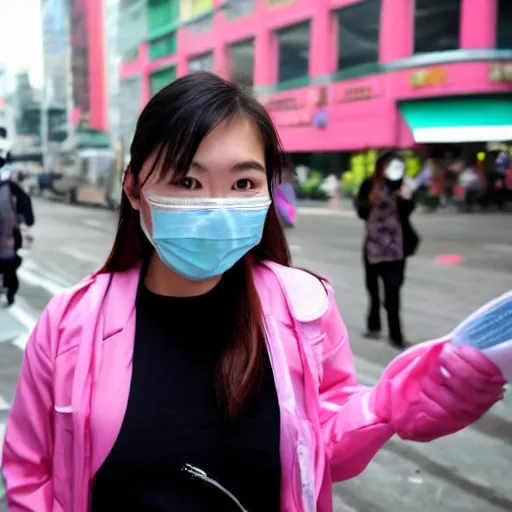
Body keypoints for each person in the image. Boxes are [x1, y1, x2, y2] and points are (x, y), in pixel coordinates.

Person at [2, 73, 506, 512]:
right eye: (187, 181)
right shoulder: (69, 323)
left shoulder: (305, 307)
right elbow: (30, 473)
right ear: (133, 189)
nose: (218, 205)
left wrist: (390, 406)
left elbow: (322, 453)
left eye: (243, 183)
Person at [355, 151, 419, 349]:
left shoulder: (402, 186)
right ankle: (374, 326)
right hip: (373, 247)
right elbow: (361, 211)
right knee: (373, 291)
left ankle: (396, 335)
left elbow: (408, 211)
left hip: (396, 248)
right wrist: (372, 201)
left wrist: (404, 198)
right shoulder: (369, 184)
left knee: (393, 291)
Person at [0, 154, 34, 306]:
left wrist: (22, 220)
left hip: (9, 238)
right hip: (8, 239)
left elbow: (24, 207)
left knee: (9, 267)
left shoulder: (11, 189)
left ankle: (10, 293)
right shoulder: (11, 188)